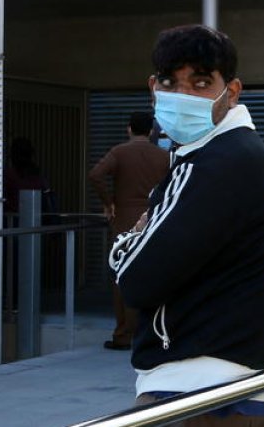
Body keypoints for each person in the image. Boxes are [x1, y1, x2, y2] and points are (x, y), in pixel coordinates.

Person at [110, 25, 264, 425]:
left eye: (199, 84)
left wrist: (129, 240)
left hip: (195, 389)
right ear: (153, 87)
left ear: (230, 91)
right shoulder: (242, 157)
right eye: (170, 83)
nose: (182, 97)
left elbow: (134, 279)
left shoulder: (211, 164)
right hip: (247, 386)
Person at [88, 111, 170, 351]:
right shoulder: (163, 156)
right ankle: (154, 332)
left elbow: (95, 175)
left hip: (124, 219)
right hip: (154, 219)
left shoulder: (120, 152)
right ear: (152, 131)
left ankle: (123, 334)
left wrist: (108, 202)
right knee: (155, 275)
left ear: (129, 129)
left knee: (122, 275)